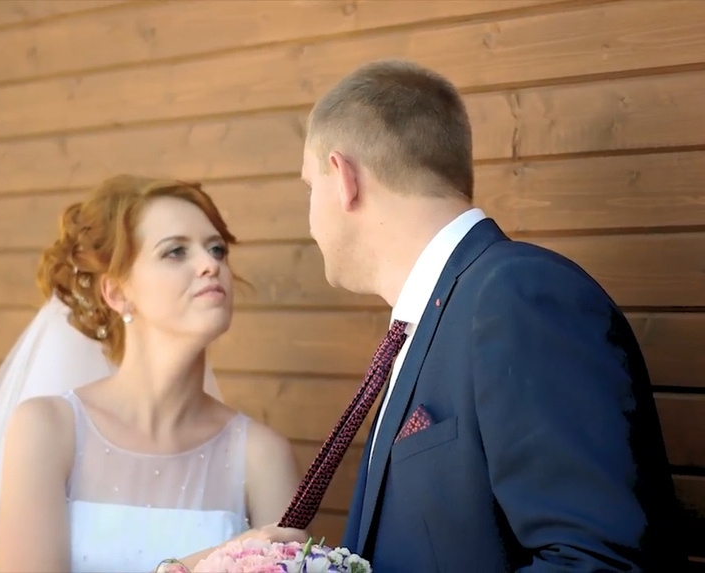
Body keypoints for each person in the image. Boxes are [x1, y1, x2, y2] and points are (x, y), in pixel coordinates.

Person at [282, 59, 683, 570]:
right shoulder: (434, 319)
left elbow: (600, 559)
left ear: (343, 178)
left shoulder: (518, 295)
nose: (310, 221)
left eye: (309, 187)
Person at [0, 175, 305, 573]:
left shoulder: (262, 455)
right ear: (117, 293)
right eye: (175, 251)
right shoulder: (48, 428)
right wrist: (218, 559)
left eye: (217, 249)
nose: (211, 265)